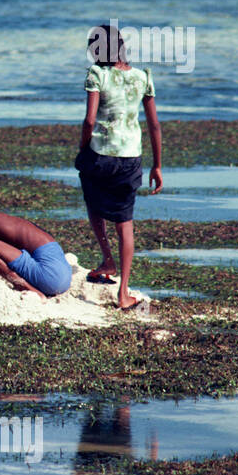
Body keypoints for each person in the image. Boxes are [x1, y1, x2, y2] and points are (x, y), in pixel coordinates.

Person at [77, 23, 163, 310]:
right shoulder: (142, 77)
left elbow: (90, 120)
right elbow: (153, 125)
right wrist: (158, 166)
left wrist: (82, 148)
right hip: (131, 158)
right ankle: (123, 292)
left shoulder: (97, 74)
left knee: (93, 203)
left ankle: (107, 258)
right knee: (125, 224)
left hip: (101, 154)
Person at [0, 181, 72, 298]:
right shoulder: (3, 221)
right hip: (64, 277)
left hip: (49, 275)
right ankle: (35, 288)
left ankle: (26, 288)